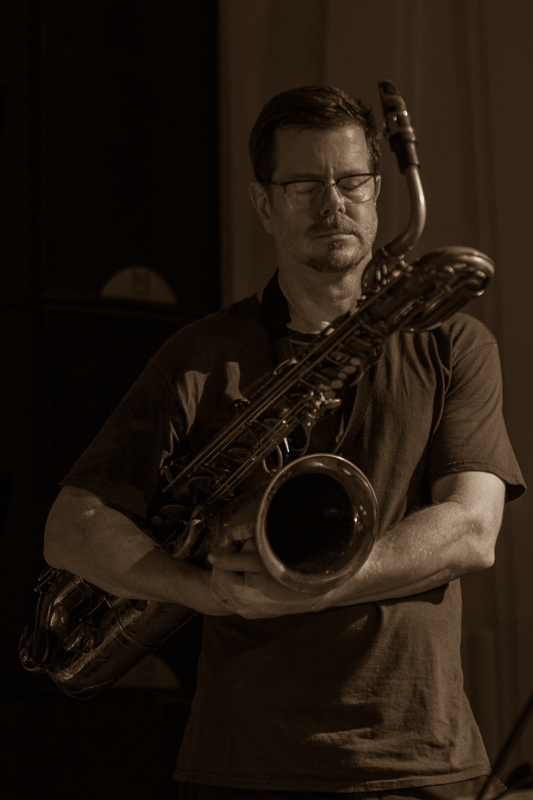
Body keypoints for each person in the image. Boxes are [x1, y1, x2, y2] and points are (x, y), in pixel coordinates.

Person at [44, 86, 525, 799]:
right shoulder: (199, 353)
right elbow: (70, 529)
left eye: (352, 181)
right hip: (243, 763)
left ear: (376, 192)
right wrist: (207, 592)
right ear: (264, 204)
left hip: (418, 758)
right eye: (304, 185)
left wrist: (304, 587)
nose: (334, 204)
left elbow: (472, 531)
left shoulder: (454, 342)